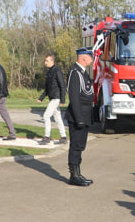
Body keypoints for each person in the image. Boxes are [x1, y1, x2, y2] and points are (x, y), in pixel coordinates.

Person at [66, 47, 95, 186]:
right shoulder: (75, 73)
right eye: (91, 57)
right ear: (84, 57)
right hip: (78, 117)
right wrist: (79, 118)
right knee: (76, 146)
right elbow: (74, 97)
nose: (92, 59)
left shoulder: (83, 73)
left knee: (81, 146)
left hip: (85, 115)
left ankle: (78, 173)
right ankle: (73, 176)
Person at [37, 54, 67, 145]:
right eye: (45, 61)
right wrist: (41, 98)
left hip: (56, 98)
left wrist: (62, 99)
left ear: (52, 61)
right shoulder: (49, 72)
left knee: (46, 116)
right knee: (58, 118)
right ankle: (63, 137)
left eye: (47, 61)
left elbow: (62, 85)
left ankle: (47, 137)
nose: (45, 62)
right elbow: (47, 88)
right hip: (52, 98)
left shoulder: (57, 71)